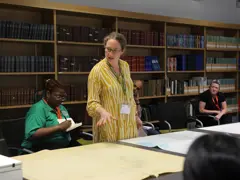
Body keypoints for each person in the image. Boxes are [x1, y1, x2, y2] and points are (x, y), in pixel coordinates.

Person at [87, 32, 142, 143]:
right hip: (110, 127)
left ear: (122, 51)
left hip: (128, 125)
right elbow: (91, 103)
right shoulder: (97, 71)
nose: (109, 53)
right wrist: (102, 112)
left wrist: (135, 116)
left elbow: (129, 96)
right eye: (107, 49)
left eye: (114, 50)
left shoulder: (125, 66)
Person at [21, 79, 79, 152]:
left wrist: (72, 127)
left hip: (63, 146)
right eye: (58, 96)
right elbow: (32, 133)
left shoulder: (61, 107)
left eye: (63, 97)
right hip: (42, 149)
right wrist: (59, 127)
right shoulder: (38, 109)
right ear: (48, 94)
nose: (61, 100)